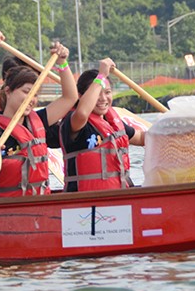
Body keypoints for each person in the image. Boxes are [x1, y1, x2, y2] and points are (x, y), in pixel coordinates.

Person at [0, 42, 78, 197]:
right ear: (8, 91)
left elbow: (70, 97)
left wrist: (62, 62)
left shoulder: (39, 120)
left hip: (39, 202)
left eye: (35, 94)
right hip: (5, 206)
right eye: (26, 92)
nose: (32, 99)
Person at [60, 59, 145, 192]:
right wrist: (101, 76)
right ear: (81, 96)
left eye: (107, 92)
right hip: (85, 200)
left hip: (118, 193)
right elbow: (82, 112)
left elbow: (141, 138)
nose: (104, 99)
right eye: (97, 94)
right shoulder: (74, 121)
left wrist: (172, 131)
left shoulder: (112, 124)